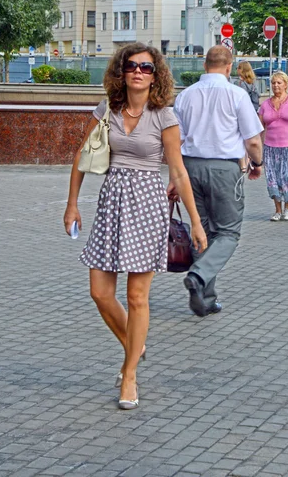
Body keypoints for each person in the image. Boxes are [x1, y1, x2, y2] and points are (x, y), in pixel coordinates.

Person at [64, 42, 207, 410]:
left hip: (147, 205)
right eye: (132, 66)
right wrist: (72, 204)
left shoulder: (164, 116)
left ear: (156, 74)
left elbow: (178, 170)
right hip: (111, 202)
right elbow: (83, 155)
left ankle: (129, 375)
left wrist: (195, 221)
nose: (139, 72)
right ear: (121, 71)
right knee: (99, 292)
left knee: (137, 297)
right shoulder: (107, 109)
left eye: (146, 67)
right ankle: (135, 344)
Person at [170, 46, 263, 317]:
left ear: (204, 65)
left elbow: (177, 140)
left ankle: (205, 298)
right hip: (223, 169)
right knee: (228, 232)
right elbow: (253, 139)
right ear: (229, 66)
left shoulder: (185, 96)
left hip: (190, 168)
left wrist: (175, 177)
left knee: (202, 230)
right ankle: (198, 276)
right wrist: (256, 163)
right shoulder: (237, 94)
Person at [258, 71, 288, 222]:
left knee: (286, 177)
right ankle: (277, 210)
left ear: (286, 85)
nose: (275, 85)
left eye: (279, 82)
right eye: (273, 83)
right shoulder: (265, 105)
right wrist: (257, 149)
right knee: (272, 178)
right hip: (270, 147)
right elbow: (260, 128)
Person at [237, 61, 260, 172]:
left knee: (241, 138)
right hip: (253, 112)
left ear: (242, 70)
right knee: (250, 137)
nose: (237, 69)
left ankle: (243, 164)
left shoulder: (241, 84)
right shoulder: (253, 83)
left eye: (239, 68)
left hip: (244, 113)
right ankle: (250, 159)